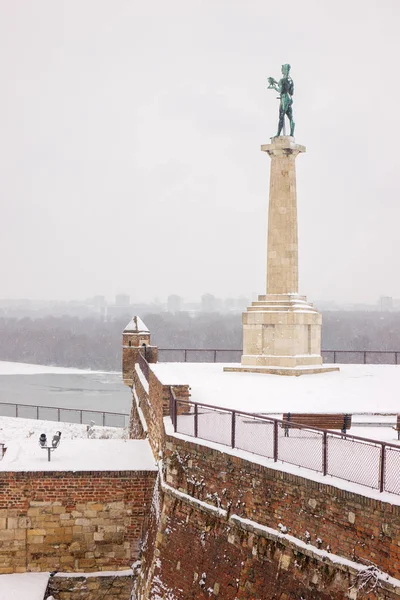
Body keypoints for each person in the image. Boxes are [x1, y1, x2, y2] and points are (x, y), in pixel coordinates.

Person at [267, 64, 295, 137]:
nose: (281, 71)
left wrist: (274, 87)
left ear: (284, 70)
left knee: (281, 116)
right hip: (289, 98)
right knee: (290, 117)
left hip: (284, 98)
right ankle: (292, 134)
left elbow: (280, 90)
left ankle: (278, 134)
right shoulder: (291, 80)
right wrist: (277, 83)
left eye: (282, 69)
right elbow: (292, 92)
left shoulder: (282, 80)